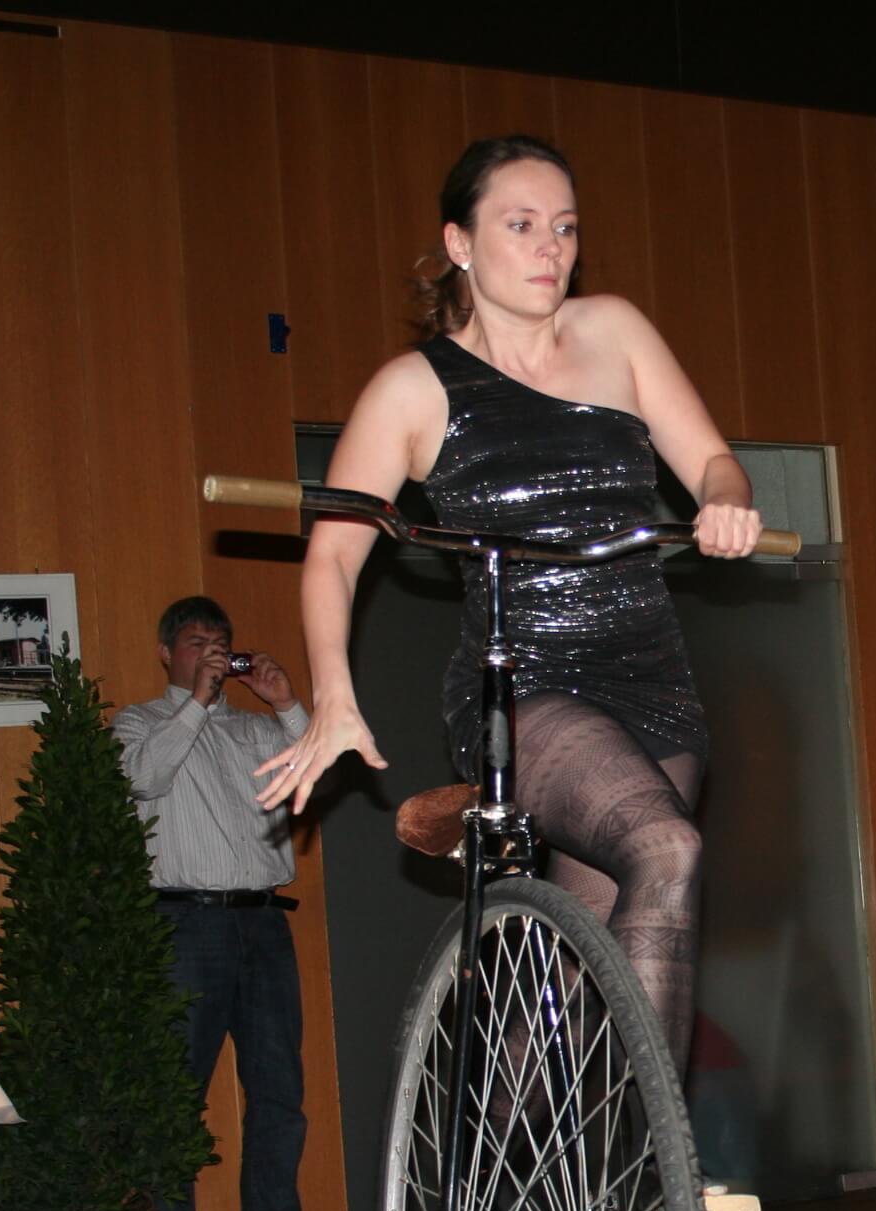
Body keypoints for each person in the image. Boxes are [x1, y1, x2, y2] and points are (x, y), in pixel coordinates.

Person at [255, 134, 762, 1071]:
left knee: (580, 977)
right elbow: (333, 556)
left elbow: (713, 463)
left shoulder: (615, 332)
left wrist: (725, 499)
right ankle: (653, 1144)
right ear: (460, 243)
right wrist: (333, 697)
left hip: (651, 680)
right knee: (668, 847)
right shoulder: (413, 391)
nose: (549, 248)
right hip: (524, 689)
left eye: (564, 228)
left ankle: (505, 1156)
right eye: (521, 225)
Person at [116, 596, 346, 1211]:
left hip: (264, 924)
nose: (211, 654)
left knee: (279, 1093)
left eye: (220, 643)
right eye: (195, 643)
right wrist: (197, 700)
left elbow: (318, 779)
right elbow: (143, 779)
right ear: (166, 653)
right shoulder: (138, 724)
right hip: (183, 924)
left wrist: (286, 705)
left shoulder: (256, 730)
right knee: (175, 1098)